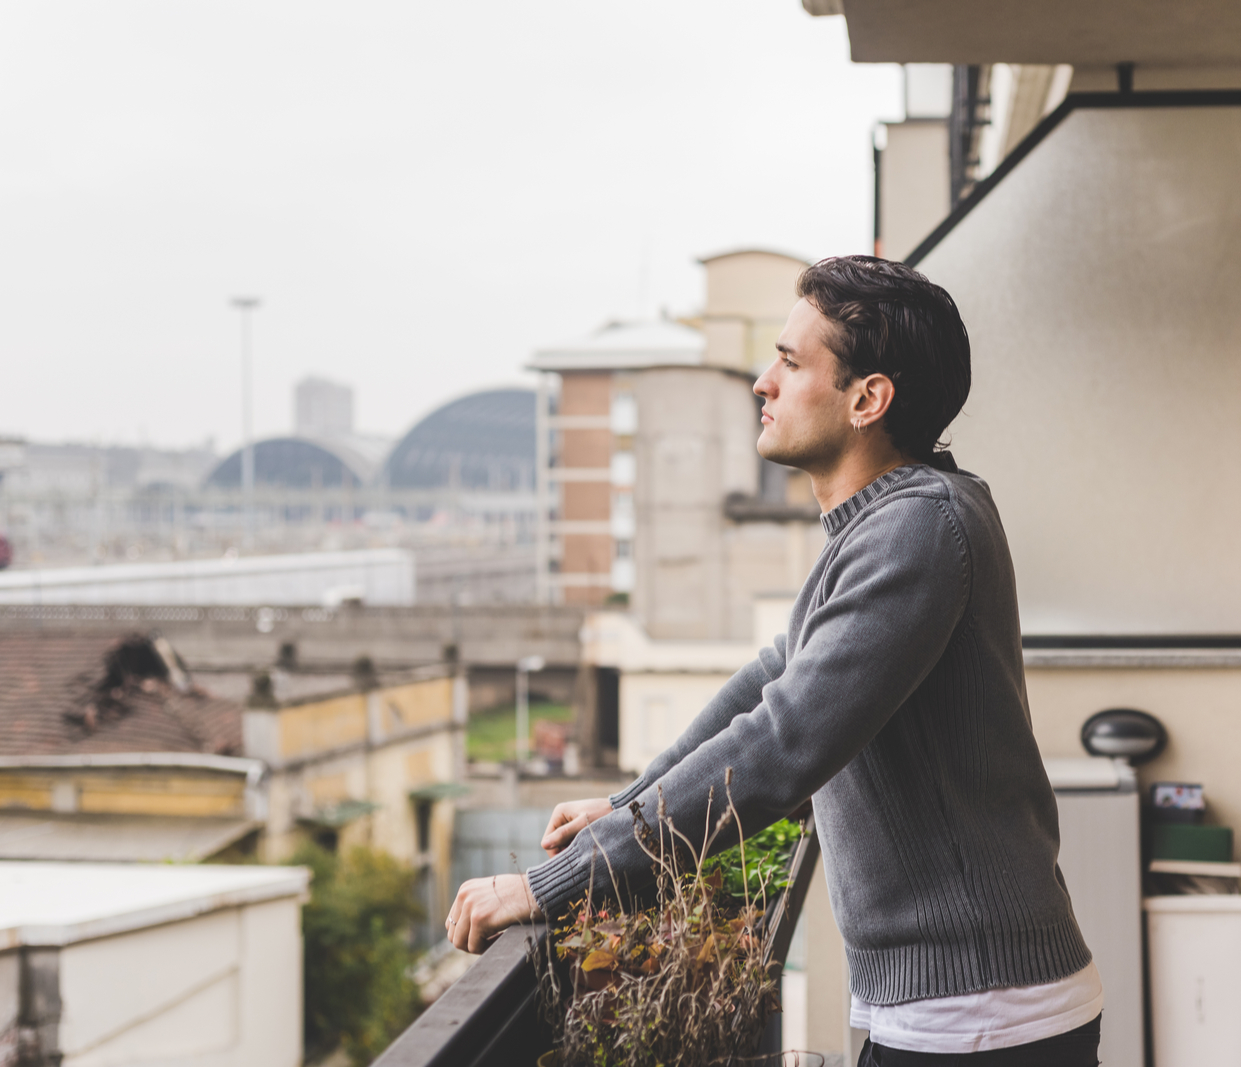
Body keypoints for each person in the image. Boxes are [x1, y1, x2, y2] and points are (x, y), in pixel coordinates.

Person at [446, 256, 1101, 1066]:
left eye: (791, 363)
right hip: (958, 1010)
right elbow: (770, 684)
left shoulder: (921, 529)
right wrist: (626, 808)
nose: (763, 383)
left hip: (981, 1019)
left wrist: (552, 885)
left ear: (868, 399)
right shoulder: (885, 527)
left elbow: (783, 742)